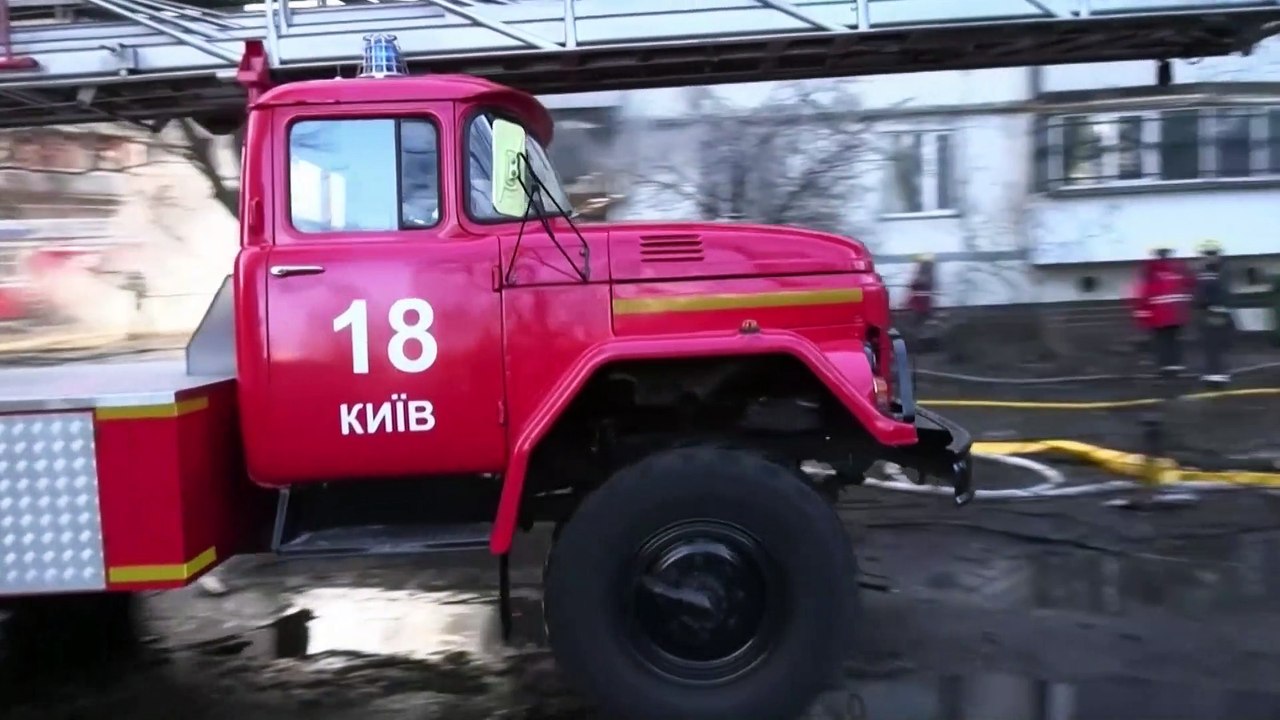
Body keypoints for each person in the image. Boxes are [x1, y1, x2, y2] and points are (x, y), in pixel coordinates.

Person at [1131, 247, 1195, 376]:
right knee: (1175, 339)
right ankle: (1176, 365)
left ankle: (1165, 366)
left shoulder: (1151, 272)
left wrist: (1142, 316)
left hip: (1159, 316)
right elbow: (1191, 285)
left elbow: (1144, 294)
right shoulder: (1179, 270)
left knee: (1162, 341)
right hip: (1178, 314)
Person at [1193, 239, 1232, 384]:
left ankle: (1215, 373)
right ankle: (1216, 372)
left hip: (1212, 311)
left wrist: (1199, 303)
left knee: (1212, 343)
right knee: (1215, 343)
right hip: (1217, 311)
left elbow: (1203, 294)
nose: (1206, 257)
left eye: (1208, 254)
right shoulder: (1222, 269)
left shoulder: (1209, 272)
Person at [905, 253, 937, 344]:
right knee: (918, 322)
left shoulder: (925, 276)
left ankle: (919, 339)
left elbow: (918, 286)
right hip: (921, 305)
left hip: (921, 306)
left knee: (917, 322)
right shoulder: (927, 275)